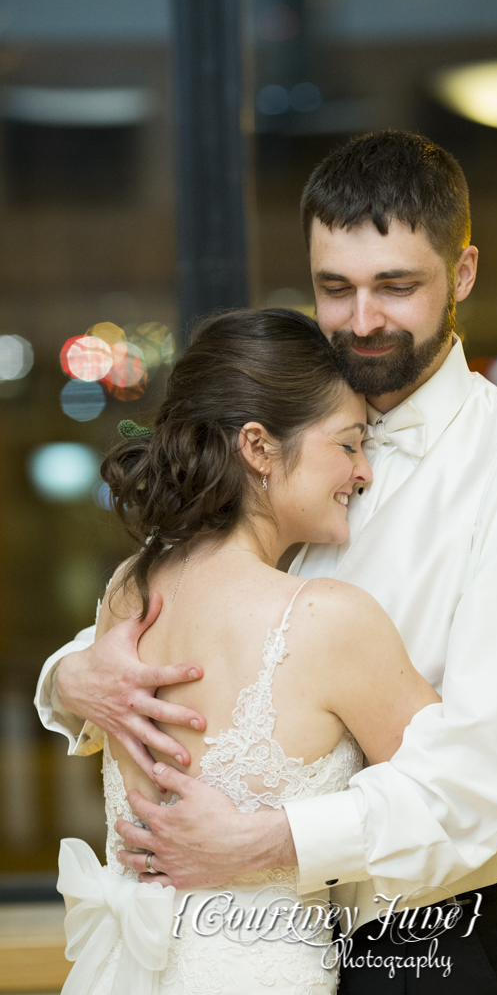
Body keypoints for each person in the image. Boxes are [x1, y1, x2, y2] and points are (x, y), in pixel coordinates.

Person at [37, 131, 497, 994]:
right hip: (229, 940)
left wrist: (264, 842)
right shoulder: (277, 423)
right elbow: (191, 607)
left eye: (396, 287)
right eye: (336, 288)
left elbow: (480, 777)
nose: (361, 320)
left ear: (463, 273)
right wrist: (70, 680)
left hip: (418, 936)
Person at [54, 306, 440, 994]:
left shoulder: (129, 589)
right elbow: (451, 801)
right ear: (259, 448)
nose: (363, 472)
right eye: (349, 444)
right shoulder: (330, 621)